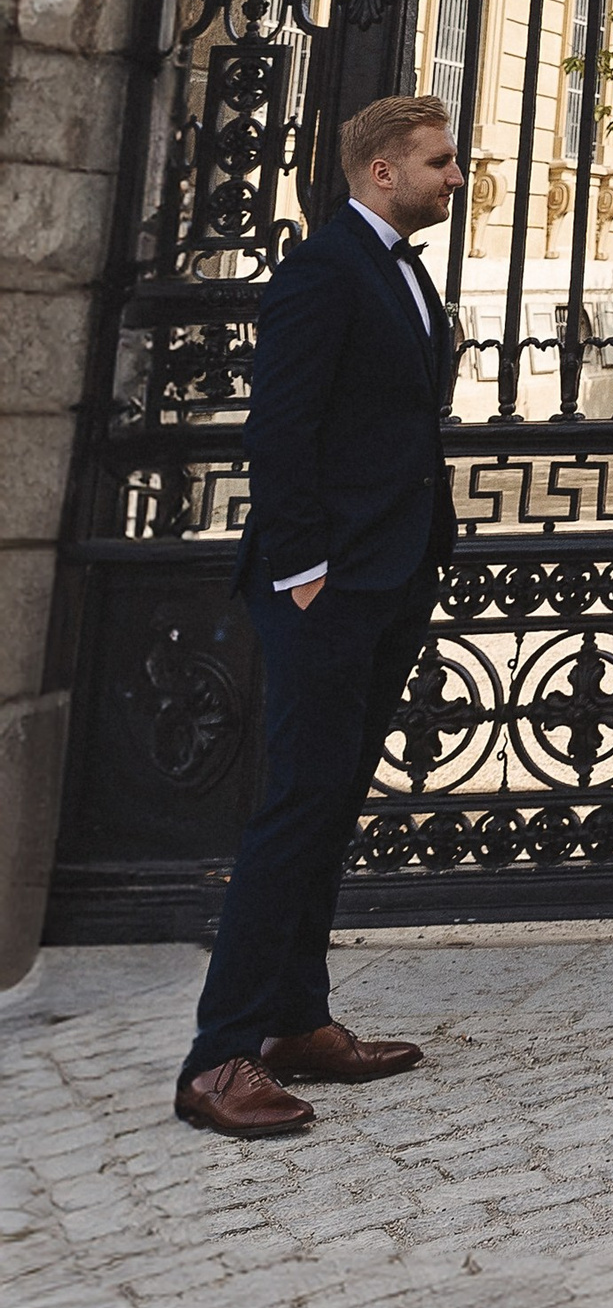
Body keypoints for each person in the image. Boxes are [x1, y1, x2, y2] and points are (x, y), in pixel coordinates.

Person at [173, 94, 461, 1138]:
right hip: (327, 583)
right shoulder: (323, 270)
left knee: (331, 799)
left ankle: (298, 1020)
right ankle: (219, 1053)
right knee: (295, 803)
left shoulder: (399, 266)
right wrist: (303, 568)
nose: (454, 176)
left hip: (387, 571)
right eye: (438, 161)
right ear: (381, 169)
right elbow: (280, 429)